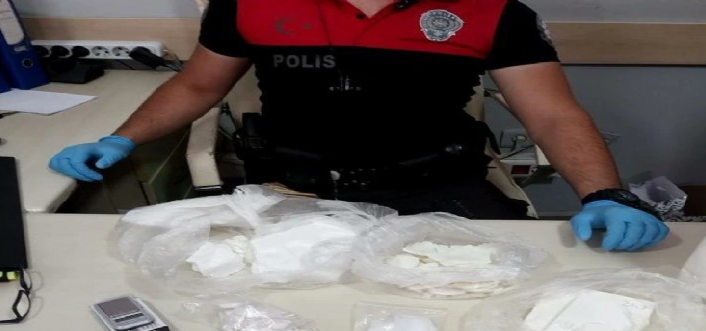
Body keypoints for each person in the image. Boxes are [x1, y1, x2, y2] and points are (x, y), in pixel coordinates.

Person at [48, 0, 668, 251]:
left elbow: (552, 112)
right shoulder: (248, 2)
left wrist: (605, 194)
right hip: (291, 193)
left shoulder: (493, 11)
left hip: (437, 190)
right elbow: (196, 85)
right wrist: (121, 138)